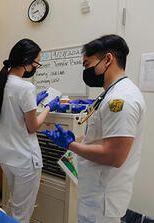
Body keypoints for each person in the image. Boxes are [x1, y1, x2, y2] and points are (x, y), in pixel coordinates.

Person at [42, 34, 146, 223]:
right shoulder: (110, 94)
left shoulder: (121, 100)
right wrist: (78, 140)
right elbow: (101, 136)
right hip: (94, 191)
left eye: (87, 64)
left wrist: (72, 145)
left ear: (108, 59)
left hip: (103, 199)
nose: (85, 71)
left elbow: (114, 156)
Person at [0, 38, 60, 223]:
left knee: (15, 204)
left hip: (7, 158)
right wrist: (48, 107)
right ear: (26, 61)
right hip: (25, 160)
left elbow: (12, 112)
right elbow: (33, 127)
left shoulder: (0, 84)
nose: (35, 66)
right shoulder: (26, 87)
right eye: (36, 62)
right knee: (23, 212)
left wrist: (33, 102)